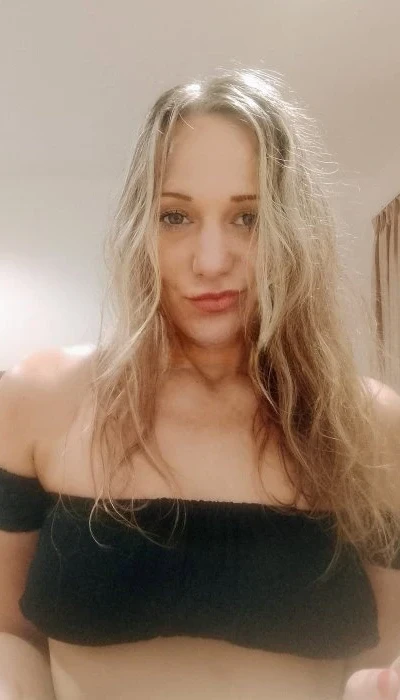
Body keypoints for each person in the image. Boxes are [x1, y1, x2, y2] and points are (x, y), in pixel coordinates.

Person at [0, 67, 399, 700]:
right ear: (138, 228)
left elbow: (387, 650)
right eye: (175, 216)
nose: (212, 261)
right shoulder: (38, 401)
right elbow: (9, 632)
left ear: (296, 233)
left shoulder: (369, 428)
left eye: (248, 218)